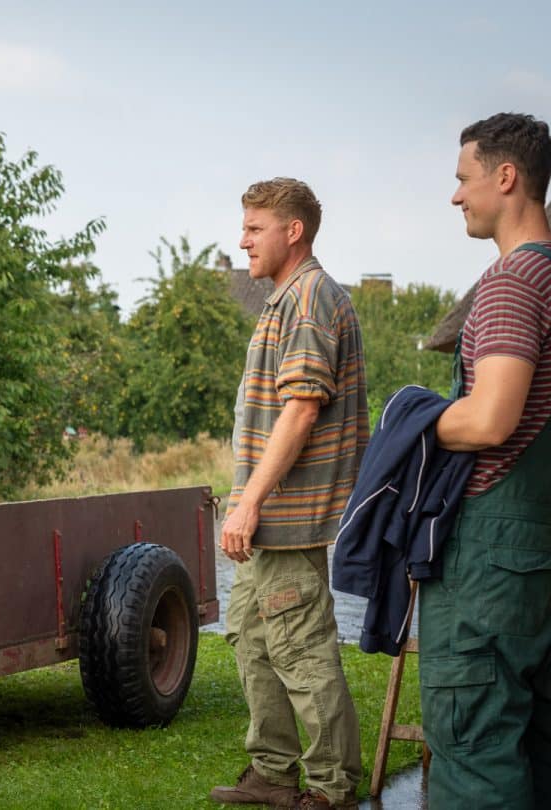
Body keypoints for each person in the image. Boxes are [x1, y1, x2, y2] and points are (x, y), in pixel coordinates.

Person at [421, 113, 551, 807]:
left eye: (464, 179)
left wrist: (409, 427)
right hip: (534, 545)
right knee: (532, 737)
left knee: (473, 748)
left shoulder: (512, 282)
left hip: (484, 559)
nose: (456, 196)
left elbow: (492, 418)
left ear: (506, 177)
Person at [211, 178, 366, 810]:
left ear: (292, 230)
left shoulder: (309, 300)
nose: (242, 240)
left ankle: (333, 789)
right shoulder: (285, 300)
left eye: (254, 228)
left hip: (289, 518)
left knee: (301, 652)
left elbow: (301, 411)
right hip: (269, 521)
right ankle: (272, 774)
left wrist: (248, 501)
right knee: (250, 637)